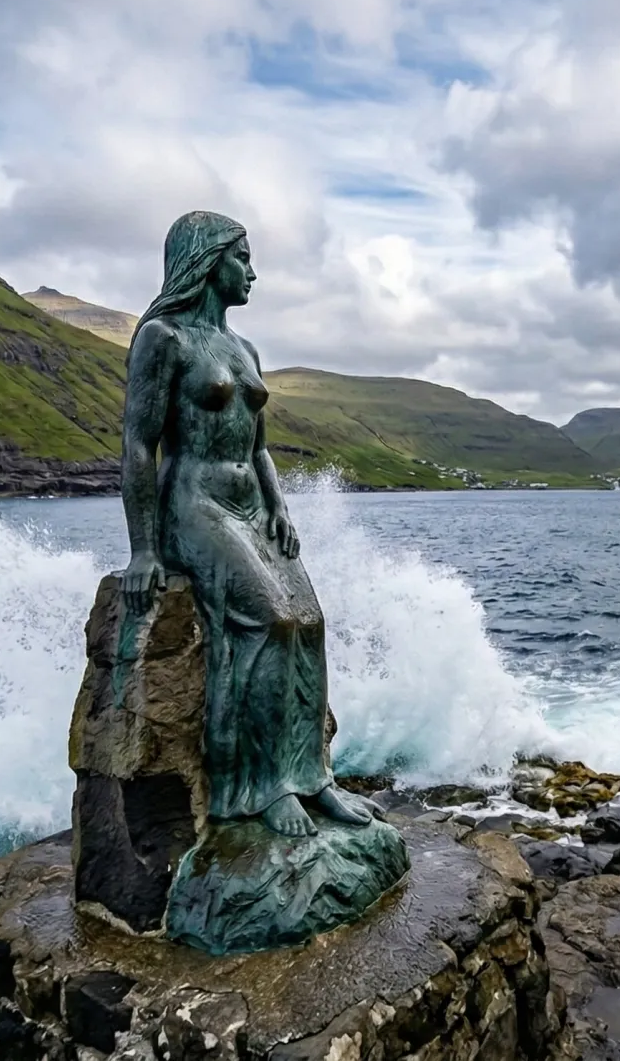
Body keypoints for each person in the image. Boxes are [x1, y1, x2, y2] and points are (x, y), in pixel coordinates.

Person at [118, 210, 375, 837]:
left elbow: (258, 445)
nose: (253, 273)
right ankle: (255, 790)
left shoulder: (244, 348)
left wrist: (280, 508)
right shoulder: (163, 339)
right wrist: (144, 552)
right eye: (244, 258)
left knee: (309, 624)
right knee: (269, 620)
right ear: (208, 263)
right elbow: (137, 445)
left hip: (251, 506)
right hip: (195, 503)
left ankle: (312, 778)